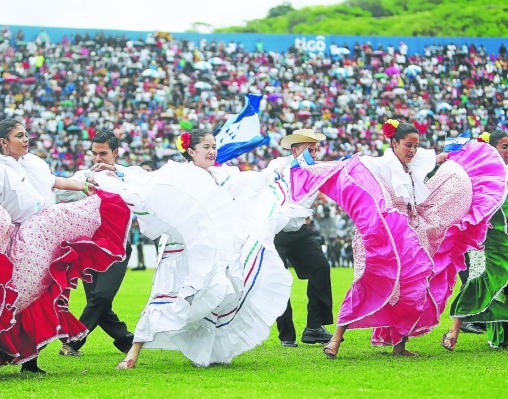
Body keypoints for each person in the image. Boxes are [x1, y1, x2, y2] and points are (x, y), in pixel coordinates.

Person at [0, 119, 131, 379]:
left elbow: (54, 181)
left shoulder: (33, 163)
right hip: (8, 244)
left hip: (35, 241)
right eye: (20, 135)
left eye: (26, 134)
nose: (26, 139)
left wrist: (85, 187)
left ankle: (30, 362)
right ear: (4, 143)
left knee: (39, 297)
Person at [290, 119, 506, 358]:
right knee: (366, 282)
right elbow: (351, 167)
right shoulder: (380, 163)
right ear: (394, 143)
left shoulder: (414, 165)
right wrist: (308, 164)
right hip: (381, 233)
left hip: (407, 234)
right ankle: (336, 340)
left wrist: (457, 154)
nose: (412, 150)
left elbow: (439, 158)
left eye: (415, 145)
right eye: (407, 145)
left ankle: (399, 346)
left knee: (412, 288)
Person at [94, 129, 292, 369]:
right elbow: (147, 182)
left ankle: (210, 351)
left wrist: (276, 172)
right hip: (178, 249)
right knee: (163, 294)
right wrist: (117, 171)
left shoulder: (220, 175)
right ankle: (132, 354)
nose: (212, 151)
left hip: (209, 250)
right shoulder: (178, 174)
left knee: (218, 292)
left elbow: (251, 182)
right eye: (206, 147)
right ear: (191, 151)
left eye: (214, 146)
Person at [55, 130, 134, 357]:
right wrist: (84, 186)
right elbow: (61, 193)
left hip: (118, 246)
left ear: (115, 153)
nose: (98, 159)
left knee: (102, 297)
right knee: (98, 301)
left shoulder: (125, 177)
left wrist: (115, 175)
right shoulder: (83, 175)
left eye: (103, 154)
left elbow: (143, 192)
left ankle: (73, 342)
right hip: (90, 247)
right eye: (95, 154)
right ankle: (126, 340)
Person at [266, 129, 333, 347]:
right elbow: (274, 176)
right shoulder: (279, 165)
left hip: (299, 229)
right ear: (295, 150)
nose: (313, 154)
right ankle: (286, 336)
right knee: (279, 279)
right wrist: (292, 167)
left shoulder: (316, 170)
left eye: (315, 149)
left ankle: (314, 327)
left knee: (321, 268)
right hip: (275, 232)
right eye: (308, 150)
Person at [444, 130, 508, 350]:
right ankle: (454, 331)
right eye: (504, 147)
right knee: (477, 282)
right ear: (491, 149)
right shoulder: (480, 176)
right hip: (486, 243)